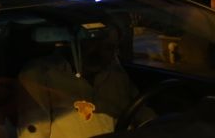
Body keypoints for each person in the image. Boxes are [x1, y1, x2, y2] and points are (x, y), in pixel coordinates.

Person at [18, 25, 154, 137]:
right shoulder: (40, 72)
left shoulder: (116, 71)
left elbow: (139, 110)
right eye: (95, 42)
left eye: (109, 48)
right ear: (77, 40)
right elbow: (33, 133)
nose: (100, 52)